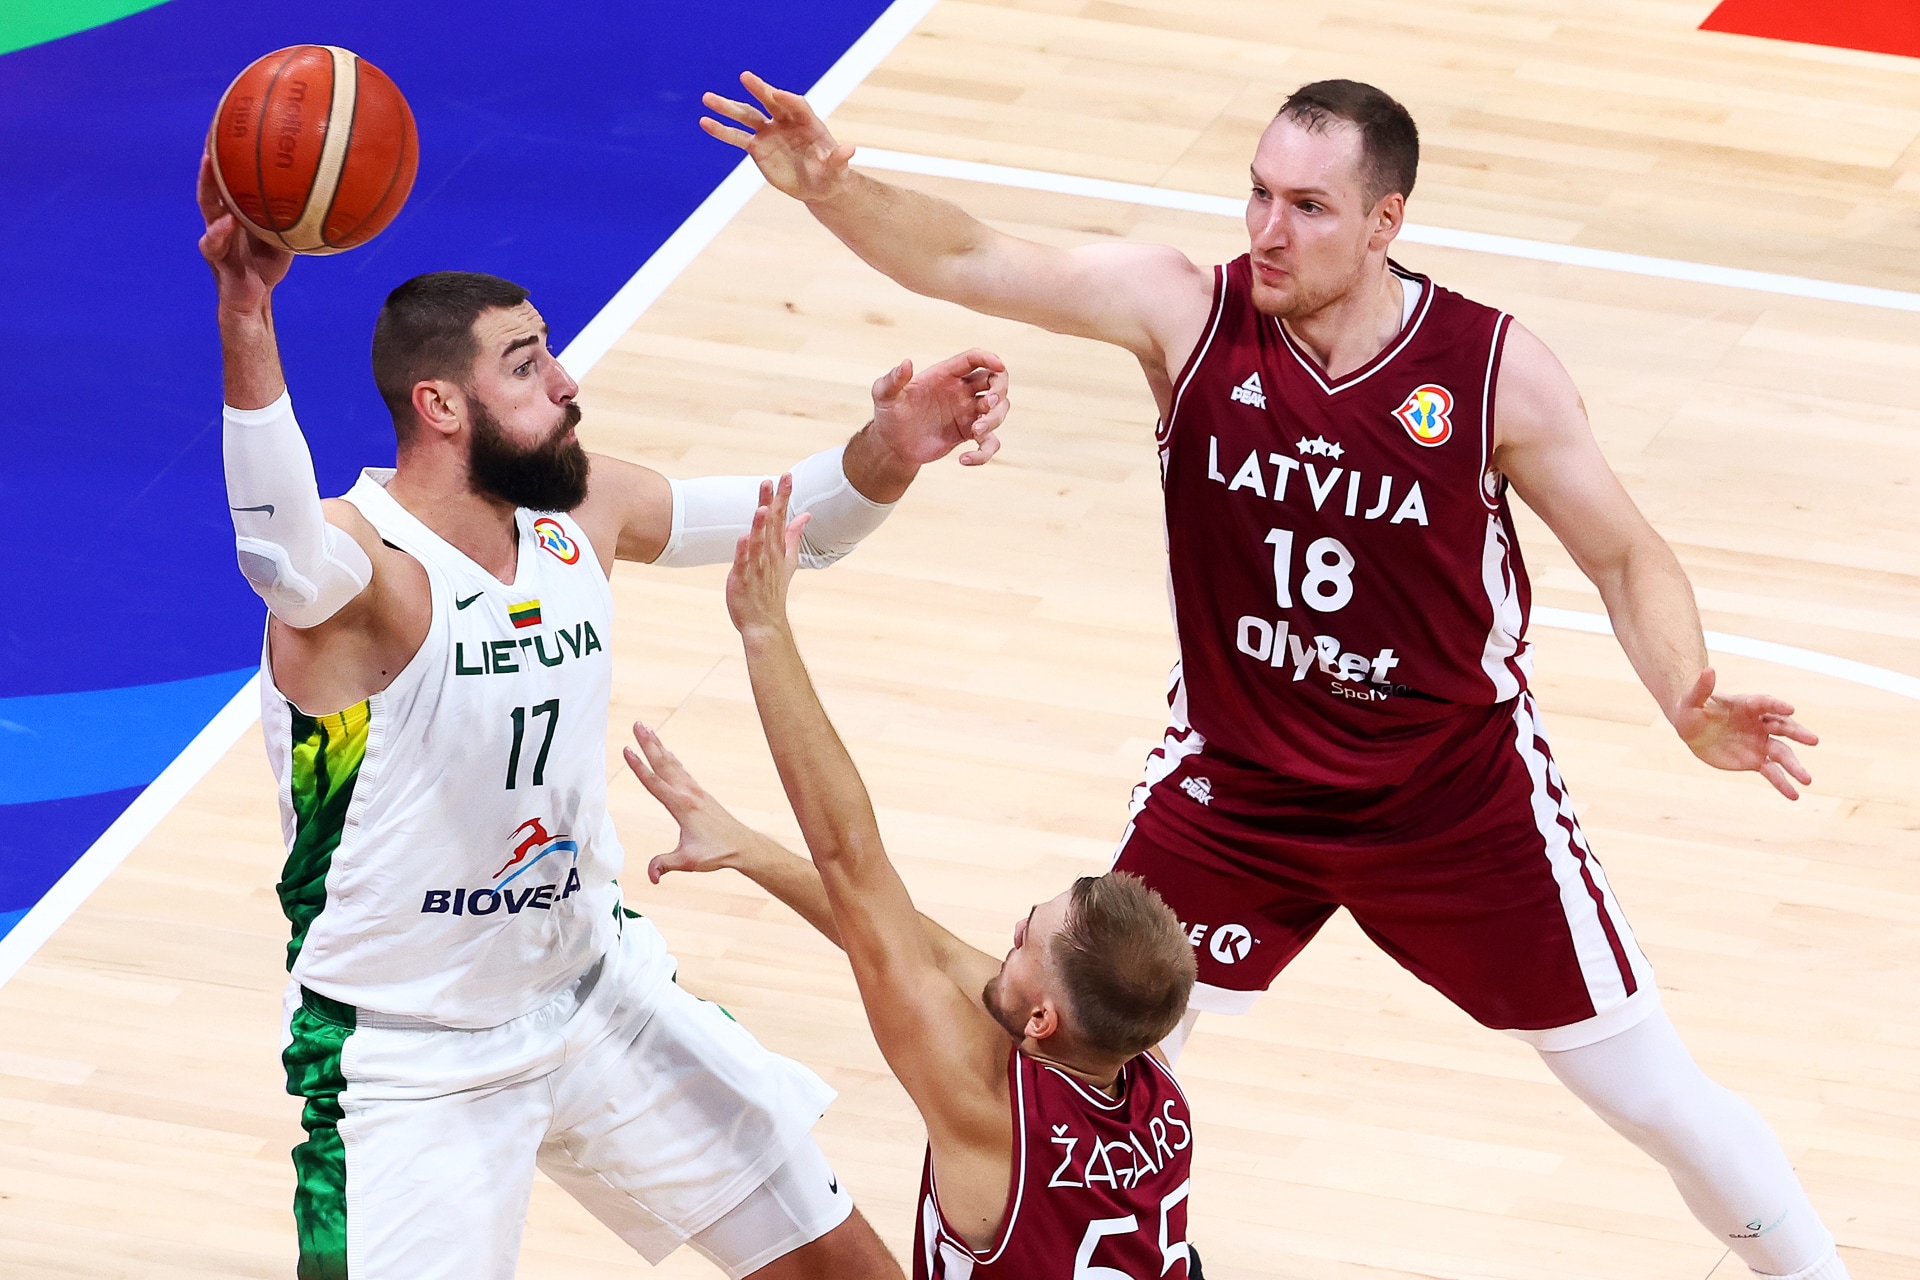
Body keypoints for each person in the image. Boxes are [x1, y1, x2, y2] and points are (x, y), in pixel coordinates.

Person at [697, 72, 1850, 1280]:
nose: (1267, 229)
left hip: (1451, 797)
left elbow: (1624, 549)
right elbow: (976, 257)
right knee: (1053, 1073)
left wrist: (1683, 693)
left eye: (1307, 205)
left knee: (1651, 1089)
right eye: (1257, 194)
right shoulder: (1188, 313)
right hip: (1235, 792)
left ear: (1384, 221)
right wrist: (834, 188)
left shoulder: (1491, 367)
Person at [196, 150, 1010, 1280]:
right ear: (439, 404)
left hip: (593, 990)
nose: (569, 380)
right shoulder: (367, 569)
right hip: (409, 1054)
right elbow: (275, 547)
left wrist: (893, 445)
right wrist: (248, 311)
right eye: (527, 367)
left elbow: (796, 524)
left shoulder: (584, 505)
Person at [623, 476, 1202, 1279]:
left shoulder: (984, 1103)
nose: (1003, 939)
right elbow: (910, 937)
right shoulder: (1155, 1082)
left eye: (1020, 944)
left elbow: (855, 865)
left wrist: (763, 628)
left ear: (1040, 1020)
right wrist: (752, 850)